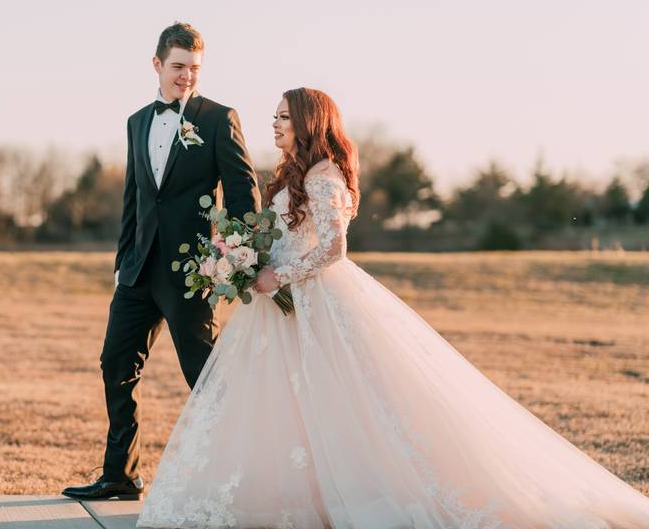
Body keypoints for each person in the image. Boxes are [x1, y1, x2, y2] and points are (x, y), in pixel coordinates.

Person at [136, 87, 649, 528]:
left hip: (317, 301)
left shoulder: (323, 176)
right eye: (274, 116)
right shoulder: (294, 172)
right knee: (285, 403)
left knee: (344, 398)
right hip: (280, 306)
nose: (274, 124)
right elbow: (288, 236)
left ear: (308, 122)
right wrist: (239, 260)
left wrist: (277, 274)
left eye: (284, 116)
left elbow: (335, 249)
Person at [62, 22, 260, 501]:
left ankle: (235, 475)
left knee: (202, 374)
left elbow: (242, 191)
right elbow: (134, 197)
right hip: (136, 273)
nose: (186, 77)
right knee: (115, 364)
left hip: (191, 273)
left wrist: (233, 257)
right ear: (156, 65)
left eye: (194, 69)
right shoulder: (137, 121)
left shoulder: (218, 118)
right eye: (178, 67)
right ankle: (120, 476)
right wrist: (121, 262)